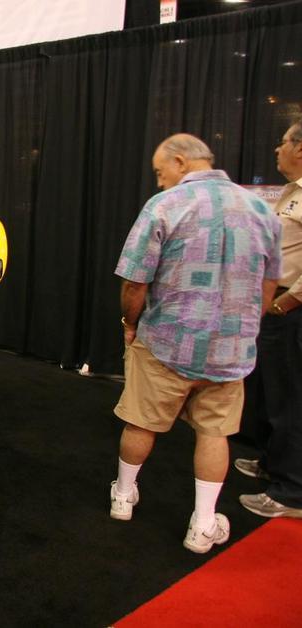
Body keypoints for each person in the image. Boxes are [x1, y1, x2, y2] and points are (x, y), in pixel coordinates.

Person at [110, 134, 281, 553]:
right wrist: (244, 327)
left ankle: (123, 497)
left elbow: (135, 280)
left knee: (141, 421)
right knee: (214, 432)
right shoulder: (262, 208)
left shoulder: (165, 206)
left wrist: (129, 324)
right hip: (231, 349)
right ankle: (203, 524)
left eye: (159, 172)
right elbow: (269, 282)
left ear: (181, 162)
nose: (159, 181)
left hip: (166, 340)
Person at [237, 119, 302, 519]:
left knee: (290, 399)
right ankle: (272, 464)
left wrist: (289, 302)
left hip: (291, 309)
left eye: (282, 143)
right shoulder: (290, 194)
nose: (276, 149)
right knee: (269, 393)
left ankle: (291, 491)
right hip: (275, 304)